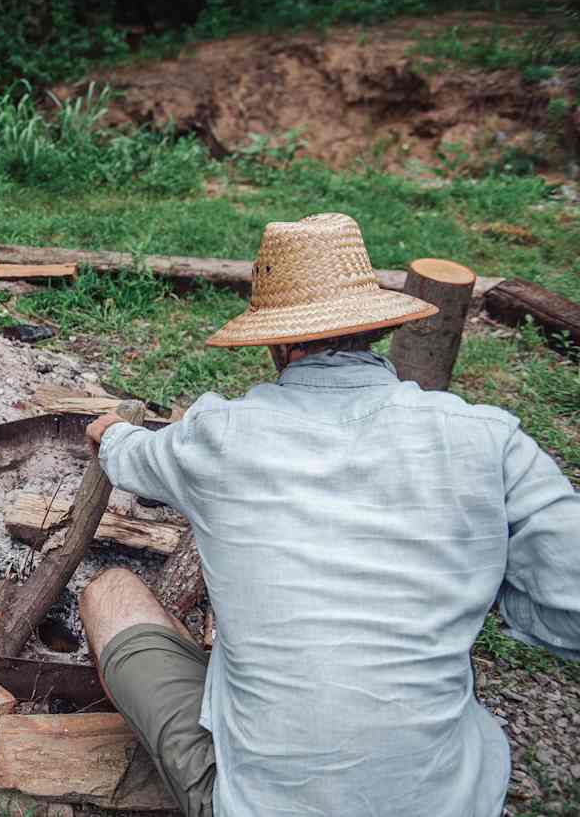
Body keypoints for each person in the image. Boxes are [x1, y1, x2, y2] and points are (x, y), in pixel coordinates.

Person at [79, 212, 580, 817]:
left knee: (110, 593)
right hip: (452, 803)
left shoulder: (217, 435)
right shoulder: (489, 440)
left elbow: (131, 457)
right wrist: (482, 579)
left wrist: (110, 432)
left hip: (263, 806)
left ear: (279, 344)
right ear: (372, 325)